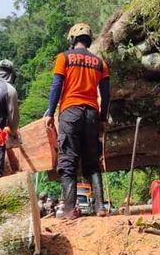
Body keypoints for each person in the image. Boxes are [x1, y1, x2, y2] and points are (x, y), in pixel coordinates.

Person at [44, 23, 110, 219]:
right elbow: (105, 94)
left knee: (68, 160)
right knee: (92, 162)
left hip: (70, 112)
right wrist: (103, 118)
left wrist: (49, 112)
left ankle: (70, 209)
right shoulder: (100, 63)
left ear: (73, 39)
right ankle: (100, 208)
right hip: (91, 114)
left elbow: (57, 85)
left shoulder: (63, 58)